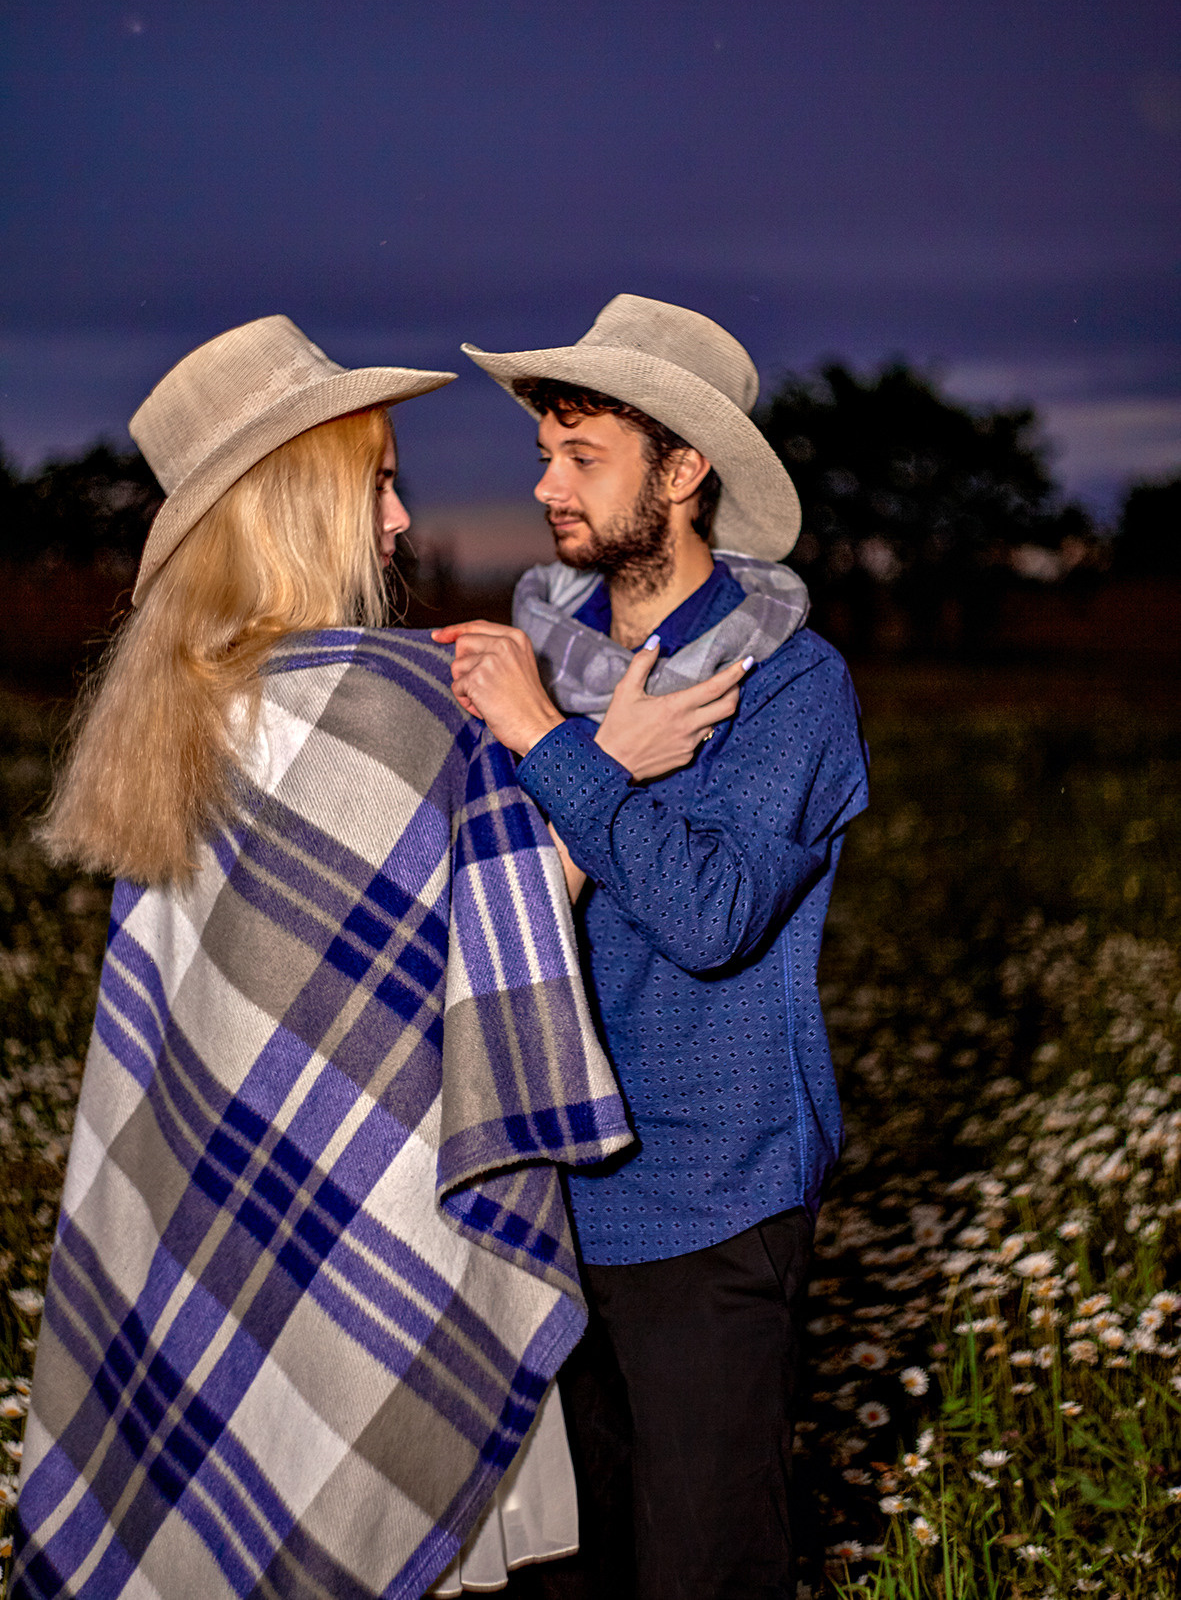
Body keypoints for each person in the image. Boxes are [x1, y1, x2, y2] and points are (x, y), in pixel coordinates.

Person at [13, 316, 633, 1600]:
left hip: (213, 1237)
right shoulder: (401, 701)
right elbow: (511, 935)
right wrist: (613, 757)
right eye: (379, 483)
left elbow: (165, 1067)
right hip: (396, 1235)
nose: (401, 521)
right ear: (303, 505)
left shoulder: (173, 710)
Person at [432, 294, 870, 1599]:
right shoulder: (539, 656)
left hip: (709, 1194)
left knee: (701, 1570)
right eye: (544, 452)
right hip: (547, 1184)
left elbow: (711, 918)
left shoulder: (791, 683)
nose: (545, 484)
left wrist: (554, 749)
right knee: (570, 1572)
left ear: (682, 474)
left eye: (582, 456)